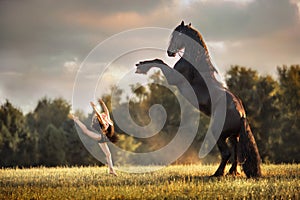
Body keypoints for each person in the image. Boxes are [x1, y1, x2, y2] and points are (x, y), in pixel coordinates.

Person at [69, 99, 118, 176]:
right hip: (101, 137)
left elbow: (106, 111)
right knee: (86, 131)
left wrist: (103, 103)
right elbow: (99, 115)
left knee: (108, 154)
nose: (103, 114)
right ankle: (77, 120)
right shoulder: (104, 122)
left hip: (104, 137)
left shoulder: (107, 119)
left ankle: (111, 170)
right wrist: (94, 107)